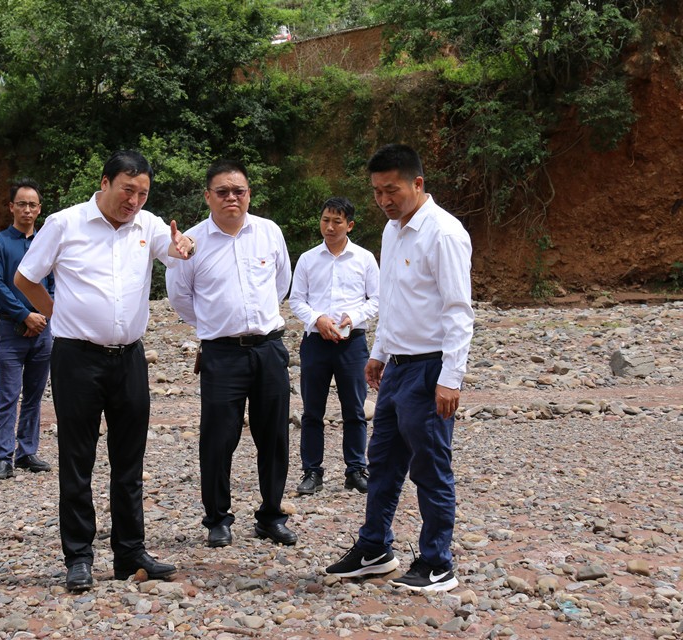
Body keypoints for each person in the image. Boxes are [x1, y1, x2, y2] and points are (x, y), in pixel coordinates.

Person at [14, 150, 195, 592]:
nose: (133, 201)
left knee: (129, 460)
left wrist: (184, 247)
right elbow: (25, 278)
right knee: (77, 459)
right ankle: (79, 557)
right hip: (77, 357)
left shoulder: (148, 225)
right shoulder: (65, 223)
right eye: (127, 190)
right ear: (105, 182)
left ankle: (130, 553)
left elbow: (176, 251)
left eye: (142, 193)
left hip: (129, 357)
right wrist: (56, 313)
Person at [325, 144, 473, 593]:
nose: (384, 200)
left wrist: (450, 378)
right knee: (383, 461)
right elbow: (391, 298)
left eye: (392, 190)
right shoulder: (393, 230)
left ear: (418, 183)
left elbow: (458, 310)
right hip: (397, 367)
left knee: (430, 466)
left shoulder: (444, 233)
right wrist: (380, 351)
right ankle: (375, 548)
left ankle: (437, 562)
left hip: (430, 368)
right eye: (376, 192)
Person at [166, 159, 296, 549]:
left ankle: (271, 516)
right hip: (222, 354)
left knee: (274, 437)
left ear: (249, 194)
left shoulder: (269, 232)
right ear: (208, 196)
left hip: (269, 348)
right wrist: (214, 324)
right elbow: (180, 297)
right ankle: (218, 519)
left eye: (239, 191)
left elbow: (281, 283)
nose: (231, 198)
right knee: (218, 439)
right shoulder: (190, 242)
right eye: (222, 191)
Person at [289, 197, 379, 496]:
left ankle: (356, 469)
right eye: (325, 220)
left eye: (336, 221)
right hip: (316, 342)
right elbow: (296, 300)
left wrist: (353, 317)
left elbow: (377, 299)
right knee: (312, 410)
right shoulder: (307, 259)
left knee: (354, 409)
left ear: (349, 225)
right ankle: (312, 471)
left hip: (352, 343)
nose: (329, 226)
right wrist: (318, 319)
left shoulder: (364, 258)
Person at [0, 178, 55, 483]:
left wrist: (43, 317)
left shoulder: (46, 243)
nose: (27, 210)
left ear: (39, 209)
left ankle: (26, 452)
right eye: (22, 204)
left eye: (32, 205)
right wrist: (25, 316)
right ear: (11, 207)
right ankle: (2, 456)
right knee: (8, 396)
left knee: (34, 396)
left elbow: (54, 283)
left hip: (43, 331)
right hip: (11, 331)